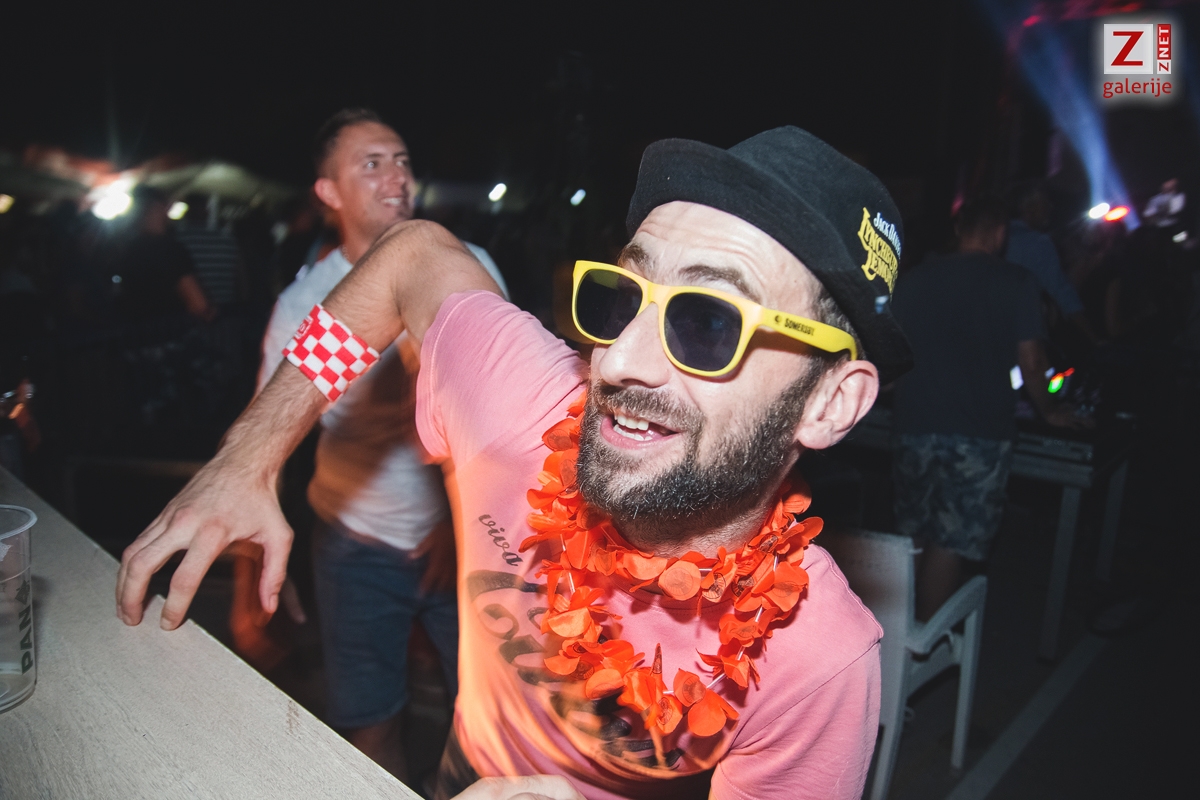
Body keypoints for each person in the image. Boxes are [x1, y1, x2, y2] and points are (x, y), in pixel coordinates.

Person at [117, 126, 915, 800]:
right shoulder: (525, 405)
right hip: (462, 764)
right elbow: (411, 254)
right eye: (623, 298)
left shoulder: (818, 658)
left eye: (709, 323)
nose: (617, 361)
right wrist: (250, 454)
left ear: (829, 403)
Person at [250, 108, 508, 782]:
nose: (397, 177)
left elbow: (494, 420)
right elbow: (268, 437)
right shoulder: (308, 306)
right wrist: (256, 574)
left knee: (491, 725)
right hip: (355, 546)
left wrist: (463, 528)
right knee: (369, 726)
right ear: (328, 191)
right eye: (372, 164)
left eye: (402, 161)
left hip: (464, 543)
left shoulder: (465, 271)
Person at [891, 197, 1084, 621]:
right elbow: (1033, 361)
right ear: (1000, 234)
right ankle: (923, 641)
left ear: (958, 229)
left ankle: (896, 636)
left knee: (913, 533)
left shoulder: (914, 279)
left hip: (914, 425)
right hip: (979, 433)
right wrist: (1051, 411)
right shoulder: (1017, 281)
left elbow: (892, 355)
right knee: (951, 540)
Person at [1005, 185, 1096, 343]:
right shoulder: (1037, 243)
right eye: (1045, 202)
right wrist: (1093, 337)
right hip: (1028, 336)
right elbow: (1061, 292)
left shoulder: (999, 239)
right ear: (1030, 208)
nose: (1050, 207)